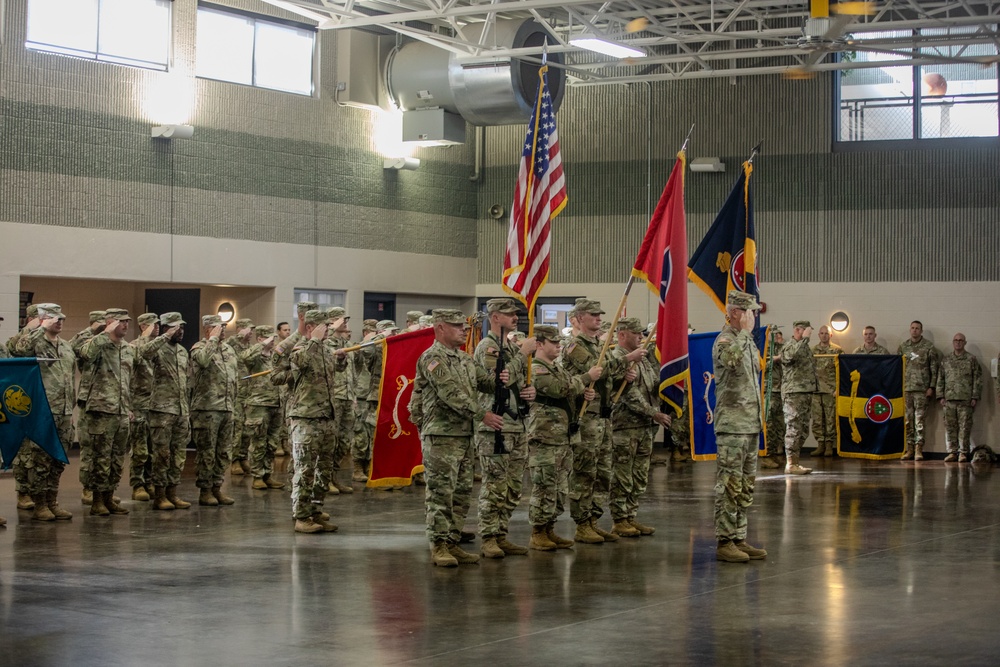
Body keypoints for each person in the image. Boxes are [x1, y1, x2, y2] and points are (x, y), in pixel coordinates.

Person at [409, 309, 504, 567]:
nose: (463, 329)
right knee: (441, 493)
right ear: (440, 328)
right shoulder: (432, 358)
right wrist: (481, 414)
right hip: (441, 435)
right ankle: (439, 545)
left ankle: (452, 541)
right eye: (456, 326)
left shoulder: (464, 359)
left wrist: (504, 374)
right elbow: (449, 392)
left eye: (463, 325)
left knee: (461, 493)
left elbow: (485, 382)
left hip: (463, 435)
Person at [560, 298, 644, 544]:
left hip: (605, 418)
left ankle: (594, 520)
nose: (598, 318)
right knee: (585, 472)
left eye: (599, 315)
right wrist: (627, 360)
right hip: (586, 418)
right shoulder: (576, 346)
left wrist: (625, 380)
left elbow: (608, 381)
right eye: (593, 315)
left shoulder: (600, 345)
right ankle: (582, 522)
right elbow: (595, 368)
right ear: (578, 319)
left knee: (603, 473)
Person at [472, 298, 536, 559]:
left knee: (512, 487)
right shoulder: (488, 347)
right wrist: (523, 354)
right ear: (495, 317)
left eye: (516, 314)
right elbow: (495, 381)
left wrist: (527, 392)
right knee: (495, 485)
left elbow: (514, 382)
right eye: (509, 314)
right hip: (496, 425)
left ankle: (501, 533)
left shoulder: (509, 346)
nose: (516, 317)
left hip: (517, 424)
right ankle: (488, 536)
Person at [527, 324, 600, 550]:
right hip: (546, 435)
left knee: (559, 487)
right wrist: (586, 377)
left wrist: (584, 393)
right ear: (539, 344)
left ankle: (550, 528)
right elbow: (558, 389)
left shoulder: (557, 367)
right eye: (554, 343)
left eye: (560, 343)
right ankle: (538, 531)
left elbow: (569, 390)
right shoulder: (536, 368)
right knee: (544, 485)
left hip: (564, 436)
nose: (559, 347)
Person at [712, 291, 767, 563]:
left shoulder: (747, 342)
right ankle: (725, 541)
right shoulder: (725, 340)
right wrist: (745, 334)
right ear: (735, 313)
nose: (753, 317)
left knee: (746, 485)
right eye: (750, 312)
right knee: (729, 485)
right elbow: (730, 362)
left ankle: (739, 537)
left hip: (749, 424)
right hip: (732, 426)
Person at [11, 304, 76, 521]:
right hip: (43, 411)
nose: (59, 321)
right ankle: (39, 504)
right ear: (42, 319)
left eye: (60, 318)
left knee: (58, 461)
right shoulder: (34, 342)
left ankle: (52, 501)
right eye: (53, 318)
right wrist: (39, 328)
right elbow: (17, 350)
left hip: (65, 412)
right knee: (40, 461)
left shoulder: (66, 347)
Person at [286, 310, 347, 533]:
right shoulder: (302, 348)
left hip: (326, 417)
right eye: (324, 326)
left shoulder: (325, 350)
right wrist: (313, 341)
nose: (328, 330)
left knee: (324, 470)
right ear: (311, 327)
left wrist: (341, 359)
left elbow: (335, 371)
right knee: (305, 470)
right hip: (306, 418)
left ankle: (315, 510)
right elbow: (299, 363)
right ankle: (301, 516)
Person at [609, 318, 671, 537]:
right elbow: (628, 395)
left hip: (644, 426)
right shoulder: (617, 358)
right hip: (625, 427)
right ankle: (619, 519)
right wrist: (653, 412)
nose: (641, 337)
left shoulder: (642, 358)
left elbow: (652, 384)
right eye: (636, 333)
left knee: (640, 476)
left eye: (642, 334)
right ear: (622, 334)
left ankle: (630, 516)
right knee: (623, 475)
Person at [78, 308, 135, 517]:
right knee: (100, 458)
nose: (126, 325)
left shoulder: (129, 349)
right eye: (121, 322)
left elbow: (131, 381)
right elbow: (84, 353)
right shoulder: (98, 346)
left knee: (117, 459)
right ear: (110, 322)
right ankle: (97, 501)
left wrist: (129, 407)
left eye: (127, 321)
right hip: (101, 410)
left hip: (121, 411)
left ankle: (110, 497)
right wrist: (103, 332)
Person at [142, 312, 192, 510]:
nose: (180, 331)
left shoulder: (182, 351)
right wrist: (163, 337)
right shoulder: (157, 348)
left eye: (181, 328)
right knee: (161, 454)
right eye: (176, 328)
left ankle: (173, 493)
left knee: (178, 454)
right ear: (166, 328)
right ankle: (159, 495)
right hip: (162, 410)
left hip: (181, 409)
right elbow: (144, 353)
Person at [189, 314, 239, 507]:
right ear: (208, 329)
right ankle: (205, 490)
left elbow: (234, 378)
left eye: (224, 327)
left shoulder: (228, 349)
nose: (223, 330)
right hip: (207, 408)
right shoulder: (199, 348)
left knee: (223, 451)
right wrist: (211, 340)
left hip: (226, 407)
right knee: (207, 452)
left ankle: (217, 487)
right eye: (219, 327)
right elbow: (202, 361)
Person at [240, 325, 285, 491]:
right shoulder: (255, 357)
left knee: (272, 443)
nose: (273, 342)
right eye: (269, 338)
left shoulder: (275, 357)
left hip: (276, 403)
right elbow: (244, 357)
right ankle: (257, 476)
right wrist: (262, 345)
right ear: (260, 339)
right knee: (259, 442)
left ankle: (268, 474)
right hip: (259, 404)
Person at [70, 310, 106, 507]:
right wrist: (91, 331)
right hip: (90, 401)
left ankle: (102, 491)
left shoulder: (109, 344)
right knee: (89, 449)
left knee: (105, 451)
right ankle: (87, 489)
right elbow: (71, 348)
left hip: (109, 403)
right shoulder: (85, 344)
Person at [936, 333, 982, 462]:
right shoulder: (946, 360)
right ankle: (952, 452)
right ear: (953, 342)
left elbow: (977, 379)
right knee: (950, 427)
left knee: (965, 427)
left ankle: (963, 452)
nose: (958, 342)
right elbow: (941, 378)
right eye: (956, 340)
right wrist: (940, 396)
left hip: (965, 399)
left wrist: (975, 396)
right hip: (949, 399)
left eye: (961, 340)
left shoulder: (971, 359)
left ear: (965, 343)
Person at [898, 321, 940, 461]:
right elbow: (898, 368)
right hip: (907, 389)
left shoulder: (928, 347)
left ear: (921, 331)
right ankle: (909, 448)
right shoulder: (903, 347)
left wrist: (932, 387)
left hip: (922, 390)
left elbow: (934, 369)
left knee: (919, 421)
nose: (914, 330)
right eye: (912, 328)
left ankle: (918, 449)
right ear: (909, 330)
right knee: (908, 421)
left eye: (917, 328)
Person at [128, 312, 158, 501]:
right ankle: (138, 484)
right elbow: (131, 371)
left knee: (156, 448)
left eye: (157, 324)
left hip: (158, 405)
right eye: (152, 324)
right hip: (139, 403)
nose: (156, 327)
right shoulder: (133, 347)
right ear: (142, 326)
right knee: (140, 449)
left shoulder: (162, 348)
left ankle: (151, 481)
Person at [325, 307, 355, 495]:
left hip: (347, 397)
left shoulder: (347, 343)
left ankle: (334, 475)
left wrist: (352, 397)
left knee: (344, 441)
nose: (344, 322)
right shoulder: (325, 343)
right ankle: (325, 478)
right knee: (330, 441)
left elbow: (351, 373)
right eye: (340, 319)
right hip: (333, 397)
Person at [780, 320, 815, 475]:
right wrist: (804, 339)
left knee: (803, 430)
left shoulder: (805, 347)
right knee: (793, 428)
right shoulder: (789, 345)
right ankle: (791, 463)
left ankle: (795, 461)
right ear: (798, 330)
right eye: (806, 330)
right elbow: (788, 357)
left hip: (805, 392)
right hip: (793, 393)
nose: (808, 334)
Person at [811, 325, 843, 457]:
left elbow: (842, 371)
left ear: (831, 335)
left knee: (830, 419)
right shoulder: (812, 350)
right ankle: (820, 444)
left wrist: (838, 389)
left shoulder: (837, 351)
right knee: (817, 419)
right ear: (818, 335)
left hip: (830, 390)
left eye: (826, 334)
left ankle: (830, 445)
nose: (824, 335)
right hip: (816, 390)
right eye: (822, 333)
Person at [228, 317, 255, 476]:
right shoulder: (232, 345)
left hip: (249, 392)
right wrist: (239, 335)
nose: (251, 333)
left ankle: (243, 456)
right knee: (237, 427)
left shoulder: (249, 347)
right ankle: (234, 460)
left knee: (247, 428)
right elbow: (229, 341)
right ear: (240, 329)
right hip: (237, 392)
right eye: (249, 329)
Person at [759, 327, 785, 469]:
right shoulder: (762, 349)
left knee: (778, 426)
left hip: (780, 391)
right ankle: (766, 456)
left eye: (777, 335)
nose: (775, 337)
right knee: (768, 425)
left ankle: (774, 453)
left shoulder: (781, 349)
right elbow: (759, 367)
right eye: (772, 334)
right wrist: (773, 360)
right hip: (768, 391)